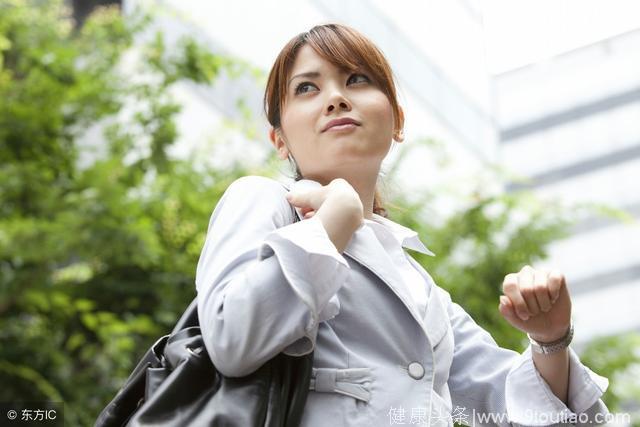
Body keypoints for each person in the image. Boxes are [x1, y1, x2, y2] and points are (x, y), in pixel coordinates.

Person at [195, 23, 610, 426]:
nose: (336, 98)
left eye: (356, 79)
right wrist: (333, 223)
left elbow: (512, 409)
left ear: (397, 121)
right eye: (307, 87)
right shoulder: (262, 200)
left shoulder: (418, 285)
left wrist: (550, 340)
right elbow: (231, 338)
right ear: (279, 139)